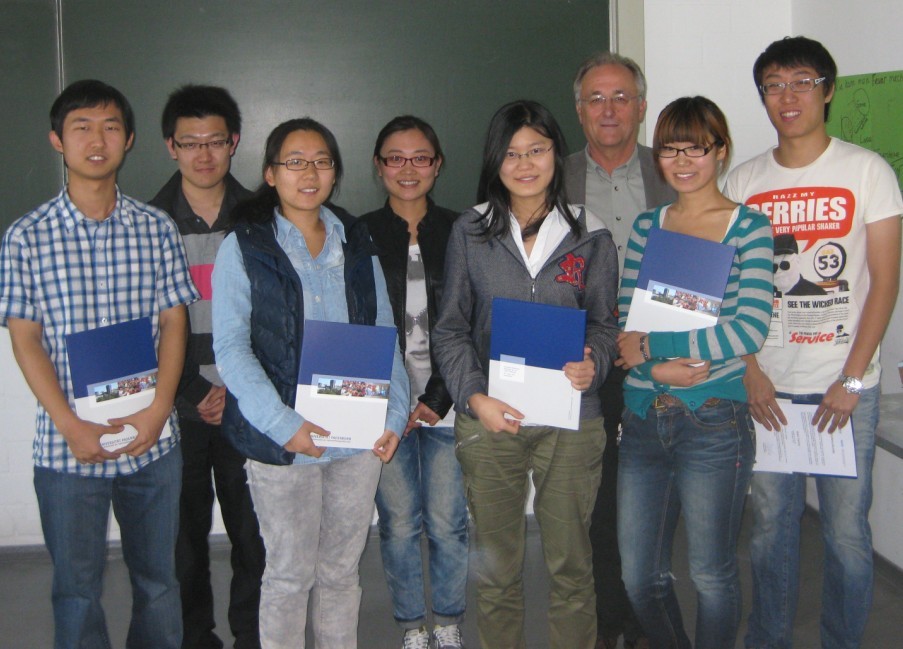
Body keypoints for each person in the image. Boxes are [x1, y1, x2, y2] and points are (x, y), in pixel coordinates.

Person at [0, 80, 198, 648]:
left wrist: (159, 412)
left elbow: (174, 323)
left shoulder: (156, 227)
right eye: (81, 127)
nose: (97, 139)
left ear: (128, 140)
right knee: (76, 590)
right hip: (66, 447)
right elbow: (26, 339)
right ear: (57, 140)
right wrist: (70, 425)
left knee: (159, 582)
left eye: (111, 127)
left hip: (152, 441)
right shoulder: (25, 237)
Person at [723, 36, 902, 649]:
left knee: (847, 534)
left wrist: (851, 379)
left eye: (802, 81)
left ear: (828, 90)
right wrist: (748, 369)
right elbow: (729, 288)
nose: (788, 96)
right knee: (771, 528)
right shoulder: (744, 180)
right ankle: (769, 639)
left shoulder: (867, 171)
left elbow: (884, 282)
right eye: (774, 85)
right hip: (769, 387)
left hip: (844, 387)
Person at [211, 117, 410, 649]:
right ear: (270, 173)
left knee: (341, 573)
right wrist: (285, 426)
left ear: (335, 172)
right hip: (282, 444)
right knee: (288, 576)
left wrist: (392, 416)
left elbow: (384, 335)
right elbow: (231, 349)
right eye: (295, 162)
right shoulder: (244, 246)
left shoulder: (358, 241)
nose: (309, 173)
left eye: (321, 161)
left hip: (357, 440)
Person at [433, 99, 619, 649]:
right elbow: (450, 329)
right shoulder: (470, 231)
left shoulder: (590, 232)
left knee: (571, 566)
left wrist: (594, 362)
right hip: (492, 421)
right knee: (496, 569)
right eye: (511, 153)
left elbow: (606, 325)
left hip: (571, 420)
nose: (525, 164)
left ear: (556, 154)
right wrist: (475, 398)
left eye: (536, 150)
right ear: (495, 161)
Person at [615, 96, 773, 648]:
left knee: (711, 574)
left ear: (720, 151)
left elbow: (746, 331)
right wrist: (658, 368)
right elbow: (626, 324)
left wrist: (653, 348)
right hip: (642, 418)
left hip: (714, 419)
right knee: (639, 578)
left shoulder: (749, 228)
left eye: (696, 148)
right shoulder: (648, 227)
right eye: (669, 149)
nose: (682, 161)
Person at [564, 51, 675, 649]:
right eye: (596, 99)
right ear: (580, 111)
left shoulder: (674, 170)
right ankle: (611, 619)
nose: (609, 110)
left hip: (662, 356)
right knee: (599, 499)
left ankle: (650, 611)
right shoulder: (552, 177)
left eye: (621, 97)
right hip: (586, 360)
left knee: (656, 496)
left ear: (641, 106)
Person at [149, 85, 265, 649]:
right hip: (179, 409)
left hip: (251, 406)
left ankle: (253, 637)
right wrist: (193, 389)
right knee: (184, 542)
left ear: (233, 142)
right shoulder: (146, 223)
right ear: (170, 146)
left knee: (255, 537)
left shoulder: (261, 218)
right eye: (190, 142)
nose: (204, 154)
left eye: (215, 141)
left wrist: (240, 391)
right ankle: (196, 638)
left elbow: (276, 315)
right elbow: (140, 323)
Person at [359, 116, 467, 649]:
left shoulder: (465, 230)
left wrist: (437, 397)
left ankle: (446, 620)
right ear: (379, 166)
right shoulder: (356, 234)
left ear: (437, 164)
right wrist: (393, 401)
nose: (408, 169)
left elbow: (472, 318)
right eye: (395, 158)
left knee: (447, 521)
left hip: (449, 401)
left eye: (420, 157)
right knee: (399, 523)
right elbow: (355, 322)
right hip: (386, 406)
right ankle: (411, 626)